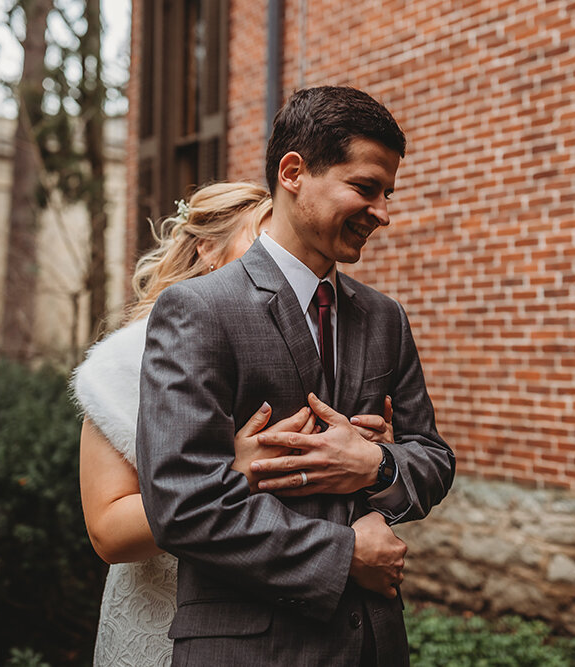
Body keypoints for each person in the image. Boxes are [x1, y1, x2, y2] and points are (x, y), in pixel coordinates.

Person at [136, 86, 456, 666]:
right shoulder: (198, 310)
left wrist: (376, 465)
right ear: (293, 172)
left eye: (388, 194)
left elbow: (433, 458)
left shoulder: (385, 317)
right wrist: (343, 554)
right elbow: (180, 504)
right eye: (364, 188)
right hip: (248, 648)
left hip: (374, 646)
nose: (382, 213)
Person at [72, 181, 396, 666]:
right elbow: (108, 532)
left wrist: (373, 460)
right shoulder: (127, 359)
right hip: (174, 620)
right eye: (263, 242)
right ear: (208, 250)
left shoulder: (331, 338)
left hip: (300, 623)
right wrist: (236, 473)